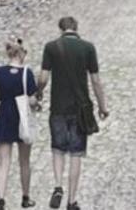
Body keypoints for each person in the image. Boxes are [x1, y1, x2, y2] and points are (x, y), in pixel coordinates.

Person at [36, 17, 109, 210]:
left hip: (58, 107)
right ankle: (72, 201)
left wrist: (39, 90)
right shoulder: (88, 48)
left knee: (58, 149)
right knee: (76, 154)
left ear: (61, 30)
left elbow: (43, 77)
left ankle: (58, 186)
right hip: (80, 109)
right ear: (76, 28)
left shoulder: (51, 47)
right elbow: (96, 81)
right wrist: (102, 107)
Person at [0, 39, 39, 209]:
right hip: (22, 120)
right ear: (20, 53)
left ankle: (1, 200)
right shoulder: (27, 73)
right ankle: (25, 198)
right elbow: (32, 100)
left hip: (4, 117)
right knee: (24, 161)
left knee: (4, 161)